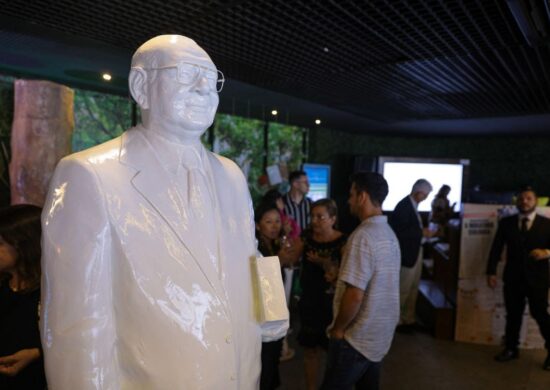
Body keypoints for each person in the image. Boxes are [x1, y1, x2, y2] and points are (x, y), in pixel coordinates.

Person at [41, 35, 287, 389]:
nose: (205, 88)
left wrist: (272, 312)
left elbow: (250, 256)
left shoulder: (231, 175)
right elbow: (77, 326)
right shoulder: (89, 175)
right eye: (187, 73)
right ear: (141, 85)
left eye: (211, 76)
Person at [321, 172, 400, 390]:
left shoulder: (362, 236)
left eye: (351, 194)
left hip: (356, 337)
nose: (348, 200)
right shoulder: (388, 233)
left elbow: (355, 294)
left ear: (362, 197)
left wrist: (338, 329)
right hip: (379, 335)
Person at [486, 187, 550, 370]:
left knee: (541, 315)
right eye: (521, 198)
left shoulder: (547, 224)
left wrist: (546, 252)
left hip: (538, 279)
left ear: (536, 201)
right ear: (517, 201)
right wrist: (490, 272)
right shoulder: (506, 223)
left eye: (529, 198)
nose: (524, 201)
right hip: (513, 277)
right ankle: (511, 349)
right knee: (513, 315)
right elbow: (496, 248)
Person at [298, 198, 347, 390]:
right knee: (310, 350)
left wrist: (325, 264)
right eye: (313, 216)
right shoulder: (306, 237)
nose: (315, 221)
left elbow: (348, 272)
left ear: (333, 218)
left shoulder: (343, 241)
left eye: (320, 217)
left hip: (332, 302)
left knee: (333, 350)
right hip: (310, 300)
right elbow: (289, 256)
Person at [255, 203, 301, 390]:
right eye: (268, 222)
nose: (274, 226)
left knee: (272, 359)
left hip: (274, 309)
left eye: (277, 221)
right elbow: (261, 278)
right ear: (257, 225)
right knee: (265, 360)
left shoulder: (274, 243)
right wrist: (280, 260)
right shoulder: (256, 247)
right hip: (263, 314)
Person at [0, 204, 45, 390]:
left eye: (0, 243)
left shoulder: (51, 293)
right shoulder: (4, 286)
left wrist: (37, 354)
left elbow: (74, 343)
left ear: (24, 245)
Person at [389, 178, 433, 330]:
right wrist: (422, 233)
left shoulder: (411, 205)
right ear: (419, 193)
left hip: (414, 252)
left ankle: (408, 318)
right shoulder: (404, 206)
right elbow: (399, 231)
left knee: (413, 287)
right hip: (407, 254)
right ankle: (397, 321)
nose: (426, 198)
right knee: (404, 288)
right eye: (426, 195)